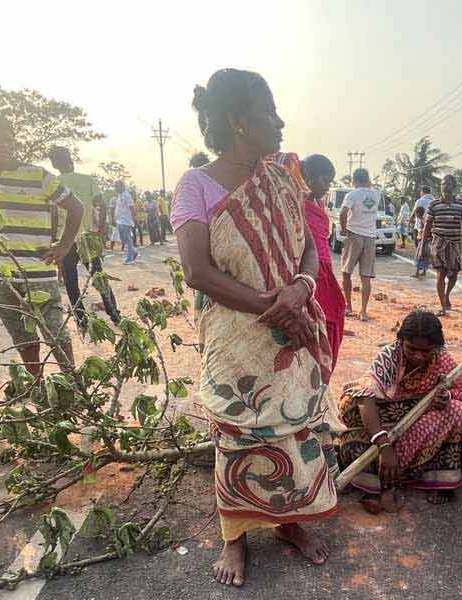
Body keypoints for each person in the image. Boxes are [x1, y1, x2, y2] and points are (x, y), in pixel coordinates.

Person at [174, 69, 337, 587]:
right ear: (239, 121)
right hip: (236, 338)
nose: (281, 122)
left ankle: (292, 521)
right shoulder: (194, 185)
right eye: (270, 112)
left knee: (298, 426)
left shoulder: (285, 178)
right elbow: (198, 272)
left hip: (293, 325)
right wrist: (272, 304)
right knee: (239, 435)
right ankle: (234, 537)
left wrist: (301, 290)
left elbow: (309, 245)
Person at [0, 111, 82, 377]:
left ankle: (74, 385)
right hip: (0, 277)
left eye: (8, 139)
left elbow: (75, 208)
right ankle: (36, 385)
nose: (2, 145)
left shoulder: (37, 176)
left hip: (40, 272)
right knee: (24, 338)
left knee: (56, 334)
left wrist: (63, 246)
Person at [336, 309, 462, 511]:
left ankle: (433, 481)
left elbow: (459, 389)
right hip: (382, 425)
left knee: (459, 412)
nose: (418, 355)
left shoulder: (441, 359)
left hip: (418, 421)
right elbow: (365, 397)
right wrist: (384, 446)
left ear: (435, 347)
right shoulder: (390, 356)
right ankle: (382, 484)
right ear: (401, 341)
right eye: (412, 348)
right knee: (352, 407)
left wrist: (446, 397)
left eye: (425, 351)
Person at [48, 146, 120, 329]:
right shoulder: (87, 180)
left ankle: (81, 320)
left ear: (54, 164)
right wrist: (101, 228)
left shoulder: (54, 183)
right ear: (70, 159)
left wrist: (52, 239)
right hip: (87, 237)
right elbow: (101, 204)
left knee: (71, 281)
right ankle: (114, 314)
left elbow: (53, 214)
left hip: (65, 240)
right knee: (98, 276)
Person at [301, 153, 346, 373]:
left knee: (334, 313)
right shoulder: (295, 203)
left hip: (324, 270)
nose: (328, 186)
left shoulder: (316, 203)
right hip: (308, 271)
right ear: (309, 178)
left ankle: (322, 369)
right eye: (325, 180)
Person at [418, 174, 462, 315]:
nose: (445, 186)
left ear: (454, 186)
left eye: (448, 184)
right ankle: (443, 304)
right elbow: (427, 226)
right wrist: (422, 247)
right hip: (438, 243)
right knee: (440, 274)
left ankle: (447, 294)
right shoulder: (434, 204)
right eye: (443, 184)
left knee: (454, 274)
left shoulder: (461, 205)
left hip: (454, 243)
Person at [340, 168, 379, 322]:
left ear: (354, 180)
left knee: (346, 272)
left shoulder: (352, 194)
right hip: (370, 237)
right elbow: (373, 185)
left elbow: (343, 213)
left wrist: (344, 230)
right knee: (365, 277)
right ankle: (363, 311)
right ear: (367, 179)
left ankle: (348, 306)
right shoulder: (375, 194)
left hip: (354, 234)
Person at [410, 186, 434, 278]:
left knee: (419, 252)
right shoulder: (433, 201)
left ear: (423, 192)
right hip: (430, 230)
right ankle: (423, 270)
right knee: (425, 251)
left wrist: (410, 221)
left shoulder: (420, 201)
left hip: (421, 235)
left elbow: (414, 212)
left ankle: (417, 271)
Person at [113, 181, 138, 264]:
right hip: (119, 221)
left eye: (117, 186)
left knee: (128, 239)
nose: (115, 188)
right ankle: (134, 252)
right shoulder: (119, 196)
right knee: (123, 240)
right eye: (115, 186)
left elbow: (132, 207)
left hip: (126, 221)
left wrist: (134, 219)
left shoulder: (127, 195)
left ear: (122, 186)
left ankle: (130, 259)